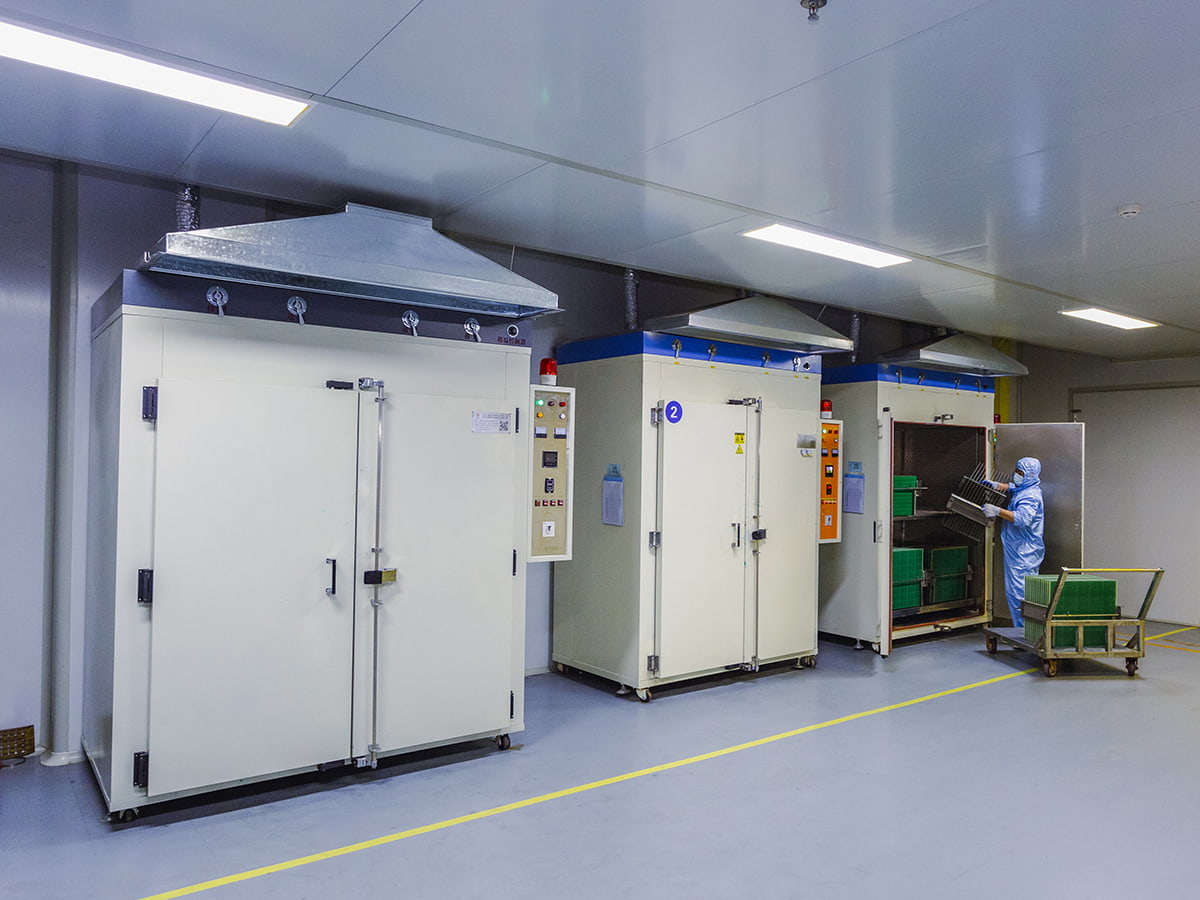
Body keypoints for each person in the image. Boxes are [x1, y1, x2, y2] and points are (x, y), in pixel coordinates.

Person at [981, 457, 1044, 628]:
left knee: (1019, 594)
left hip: (1023, 553)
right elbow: (1015, 487)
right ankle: (1024, 631)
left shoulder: (1030, 496)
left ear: (1030, 475)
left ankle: (1025, 632)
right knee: (1017, 592)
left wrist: (997, 511)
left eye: (1020, 473)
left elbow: (1023, 519)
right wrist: (997, 485)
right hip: (1019, 549)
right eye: (1016, 471)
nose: (1016, 475)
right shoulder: (1027, 487)